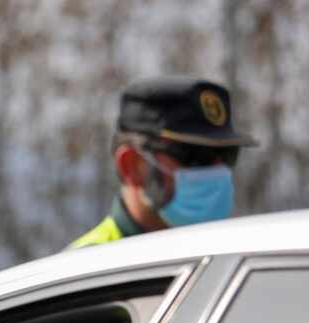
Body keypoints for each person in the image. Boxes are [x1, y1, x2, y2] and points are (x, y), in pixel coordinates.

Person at [70, 77, 258, 249]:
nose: (217, 170)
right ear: (132, 165)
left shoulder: (238, 261)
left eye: (227, 155)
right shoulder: (84, 273)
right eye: (197, 157)